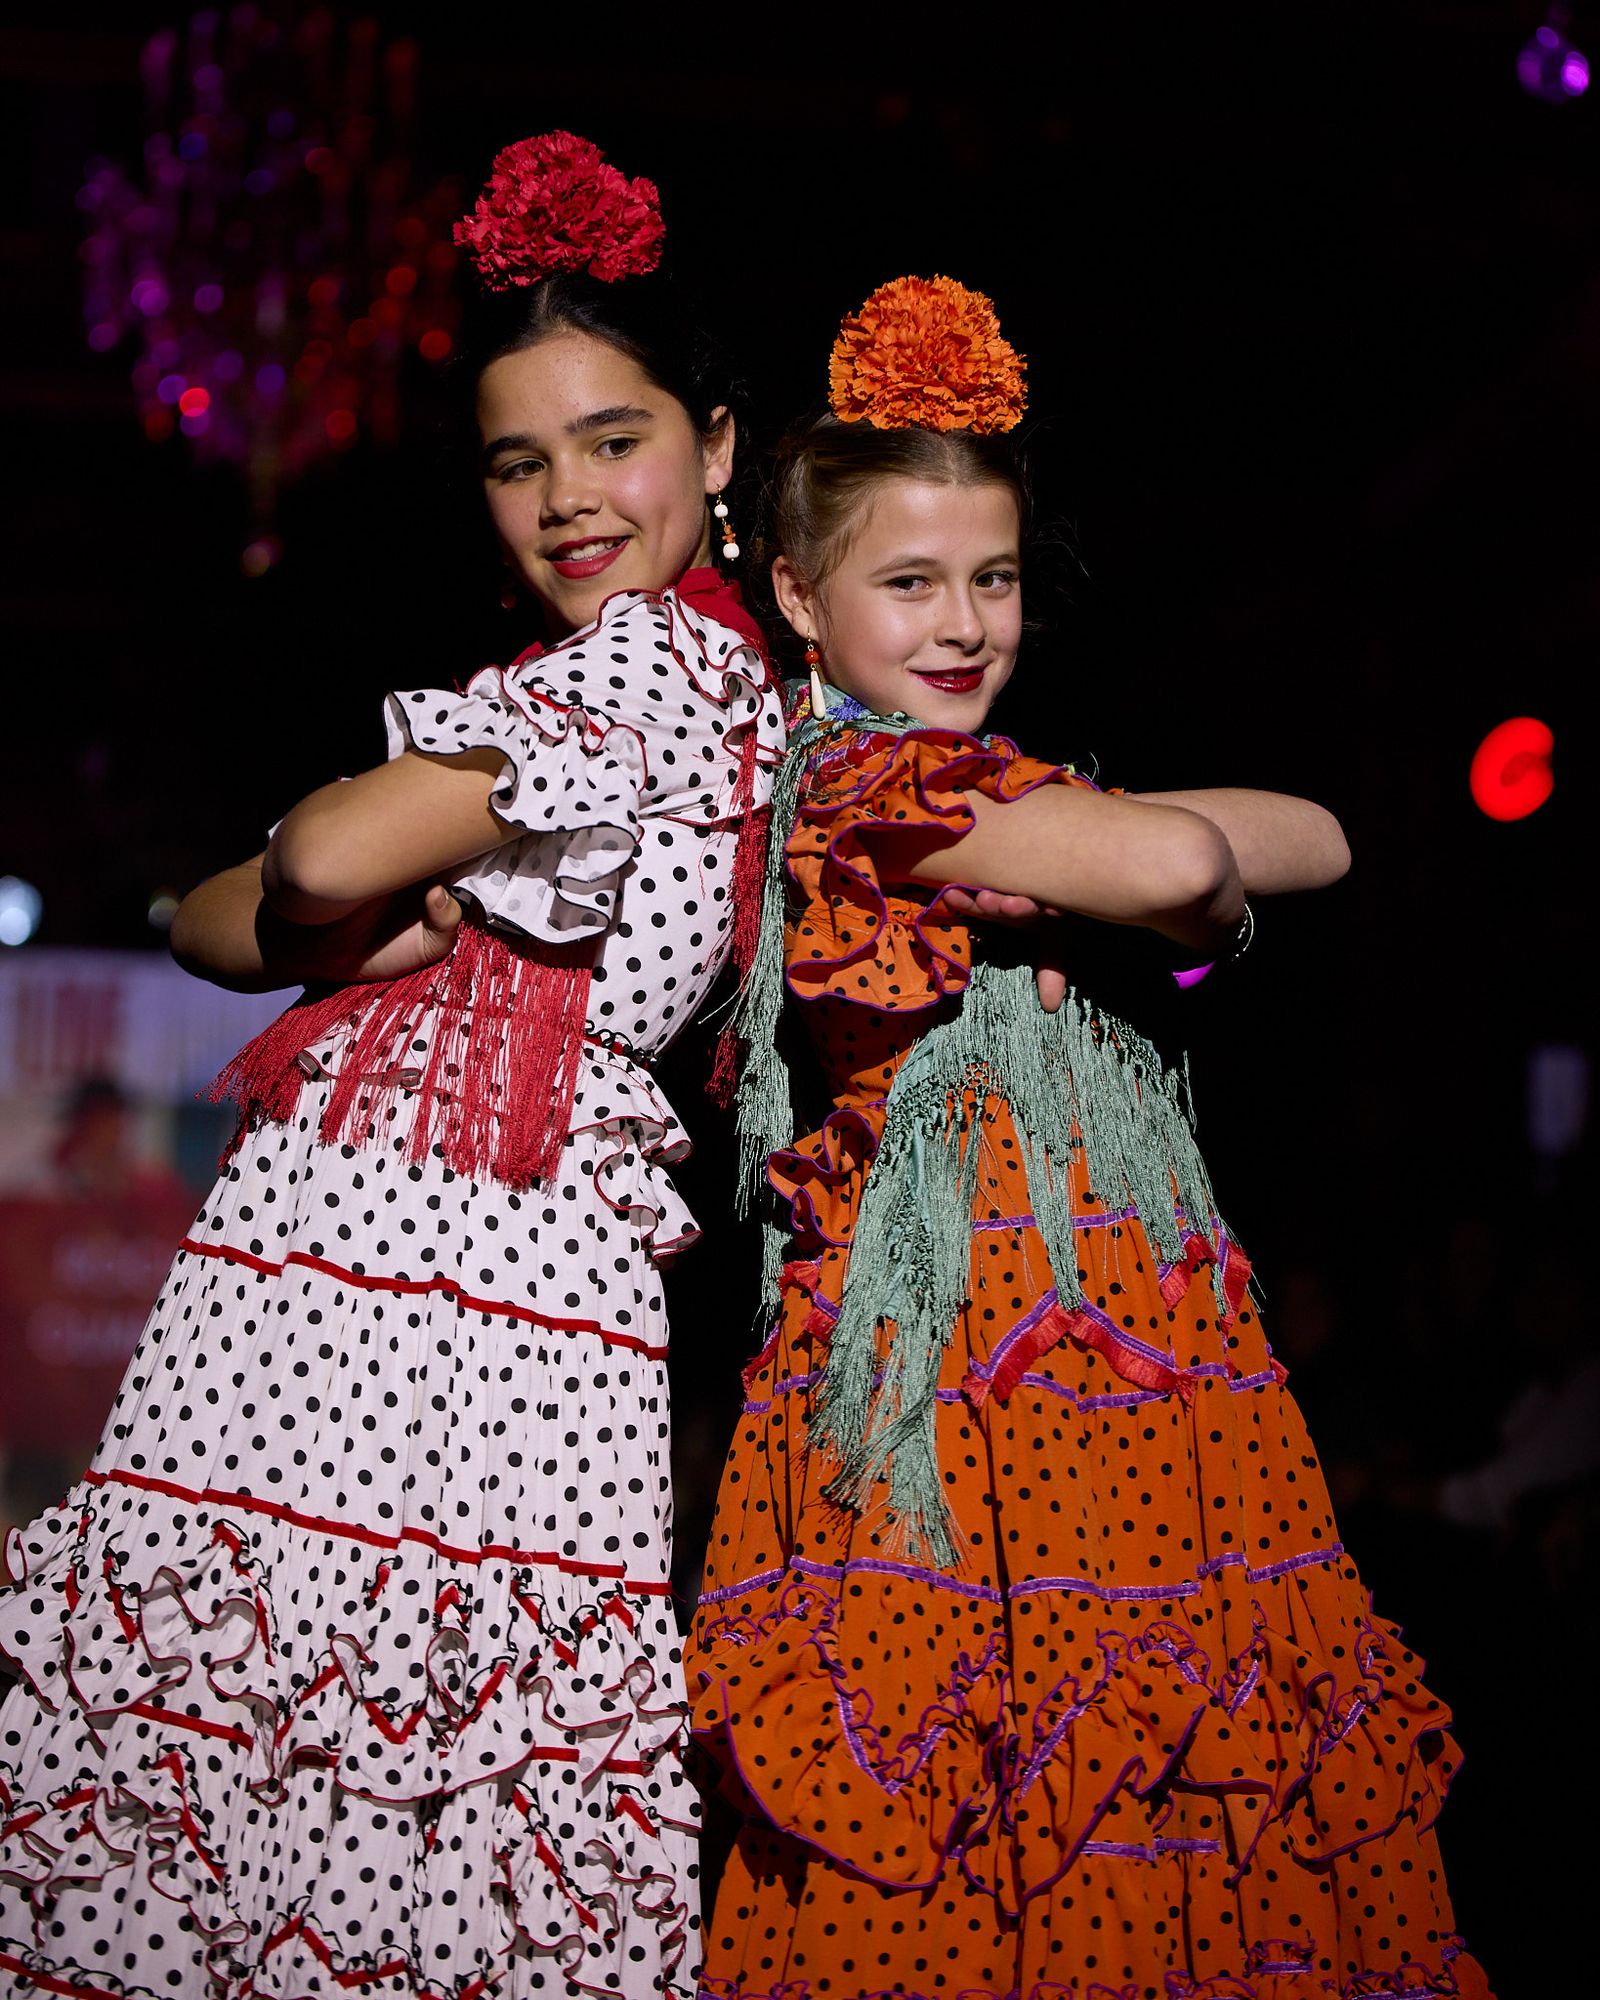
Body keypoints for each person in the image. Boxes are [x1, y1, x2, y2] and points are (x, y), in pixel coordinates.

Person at [0, 132, 783, 1999]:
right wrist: (364, 905)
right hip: (394, 1277)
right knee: (364, 1815)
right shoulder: (578, 687)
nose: (569, 496)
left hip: (447, 1295)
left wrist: (360, 885)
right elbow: (213, 916)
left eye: (617, 440)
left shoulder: (640, 676)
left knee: (306, 1792)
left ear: (723, 449)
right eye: (521, 460)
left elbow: (312, 869)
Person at [687, 277, 1490, 1996]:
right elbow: (1187, 869)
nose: (964, 622)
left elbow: (1326, 837)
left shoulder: (1003, 787)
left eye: (990, 577)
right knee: (982, 1806)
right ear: (799, 598)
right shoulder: (858, 786)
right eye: (909, 583)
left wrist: (1145, 862)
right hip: (956, 1392)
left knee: (1157, 1790)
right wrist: (1153, 873)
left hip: (1115, 1363)